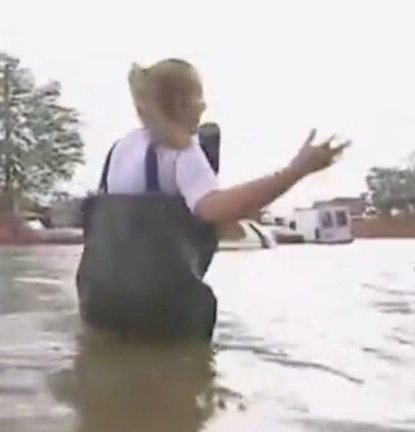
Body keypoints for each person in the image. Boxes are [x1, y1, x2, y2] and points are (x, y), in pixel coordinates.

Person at [76, 58, 349, 341]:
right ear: (181, 103)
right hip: (161, 313)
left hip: (99, 307)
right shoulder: (182, 150)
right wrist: (296, 171)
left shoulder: (120, 149)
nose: (203, 107)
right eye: (200, 98)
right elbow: (215, 210)